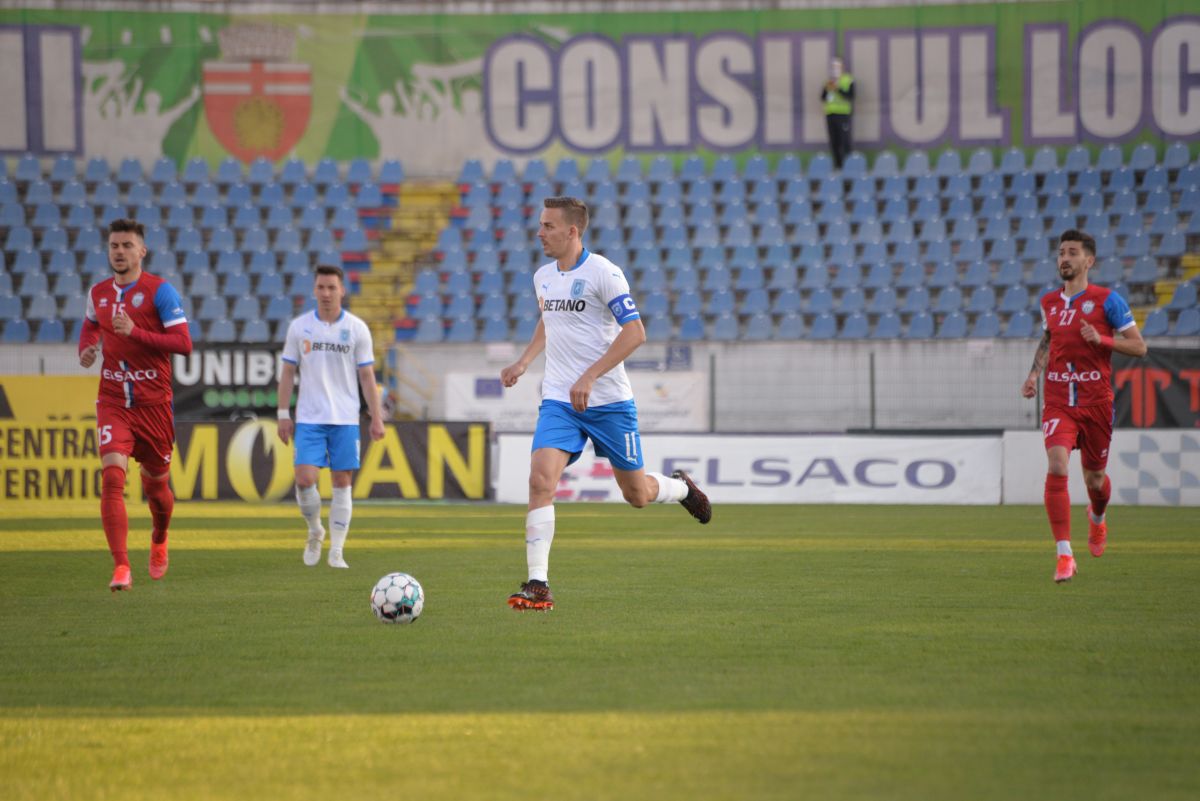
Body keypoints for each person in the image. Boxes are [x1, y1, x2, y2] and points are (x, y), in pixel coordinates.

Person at [499, 196, 712, 611]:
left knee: (636, 494)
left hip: (609, 401)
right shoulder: (543, 277)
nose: (539, 233)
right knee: (540, 479)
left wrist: (591, 375)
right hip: (560, 399)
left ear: (572, 231)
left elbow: (635, 332)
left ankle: (681, 488)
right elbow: (549, 319)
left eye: (547, 226)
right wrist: (525, 360)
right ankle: (538, 583)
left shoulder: (605, 273)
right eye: (540, 225)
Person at [1020, 229, 1147, 583]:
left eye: (1072, 252)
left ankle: (1098, 517)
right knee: (1058, 466)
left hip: (1095, 403)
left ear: (1088, 261)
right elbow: (1048, 339)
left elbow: (1140, 347)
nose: (1064, 258)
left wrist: (1103, 339)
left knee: (1094, 478)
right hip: (1059, 400)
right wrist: (1033, 375)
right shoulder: (1049, 302)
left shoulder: (1108, 300)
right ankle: (1064, 555)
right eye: (1061, 252)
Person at [78, 218, 193, 591]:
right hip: (113, 399)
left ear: (142, 251)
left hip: (154, 404)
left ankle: (159, 538)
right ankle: (122, 567)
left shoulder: (160, 292)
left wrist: (136, 333)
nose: (120, 252)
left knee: (157, 491)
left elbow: (183, 344)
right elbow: (90, 325)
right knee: (112, 477)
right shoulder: (98, 293)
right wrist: (87, 349)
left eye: (127, 245)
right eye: (114, 246)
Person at [276, 265, 385, 569]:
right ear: (314, 290)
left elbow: (367, 376)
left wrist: (376, 416)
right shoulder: (299, 327)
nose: (326, 293)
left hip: (346, 417)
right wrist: (283, 413)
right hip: (310, 417)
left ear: (342, 290)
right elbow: (287, 372)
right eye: (321, 287)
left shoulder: (356, 328)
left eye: (331, 288)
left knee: (342, 482)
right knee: (304, 478)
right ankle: (314, 530)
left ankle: (337, 550)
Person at [821, 57, 855, 169]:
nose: (835, 69)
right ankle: (838, 165)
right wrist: (828, 89)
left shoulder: (848, 79)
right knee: (834, 141)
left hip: (843, 114)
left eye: (837, 66)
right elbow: (823, 97)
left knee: (845, 141)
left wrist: (837, 89)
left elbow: (850, 96)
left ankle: (849, 166)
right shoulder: (828, 81)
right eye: (833, 67)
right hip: (830, 114)